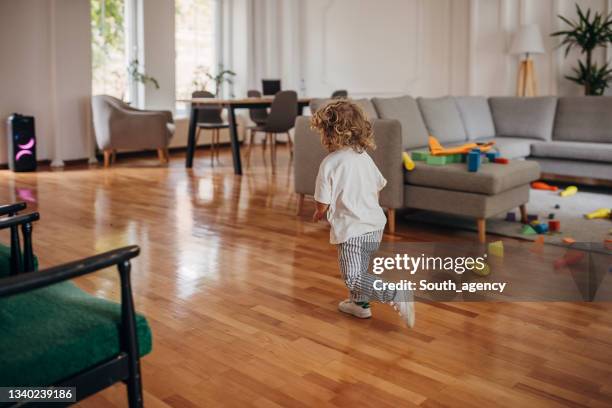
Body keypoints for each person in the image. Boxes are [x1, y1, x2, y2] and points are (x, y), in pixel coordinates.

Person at [310, 100, 415, 328]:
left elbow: (322, 202)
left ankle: (395, 293)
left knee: (353, 276)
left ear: (329, 134)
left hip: (352, 229)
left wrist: (320, 212)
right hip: (375, 225)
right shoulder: (363, 158)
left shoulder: (329, 163)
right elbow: (377, 187)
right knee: (362, 267)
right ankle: (359, 304)